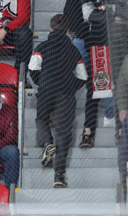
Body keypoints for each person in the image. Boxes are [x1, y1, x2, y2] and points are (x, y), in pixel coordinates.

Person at [76, 0, 128, 148]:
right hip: (97, 41)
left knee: (120, 86)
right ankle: (88, 131)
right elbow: (88, 14)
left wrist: (105, 9)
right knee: (95, 86)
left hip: (121, 42)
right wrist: (114, 12)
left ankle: (121, 130)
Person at [28, 14, 87, 189]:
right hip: (66, 94)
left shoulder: (42, 47)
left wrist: (42, 82)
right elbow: (83, 76)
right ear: (68, 30)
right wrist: (71, 86)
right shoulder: (74, 50)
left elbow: (32, 69)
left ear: (51, 28)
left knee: (41, 119)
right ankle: (59, 176)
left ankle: (47, 143)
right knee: (63, 133)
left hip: (46, 90)